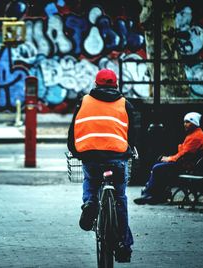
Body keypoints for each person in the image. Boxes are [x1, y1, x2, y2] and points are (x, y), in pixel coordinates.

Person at [67, 68, 135, 263]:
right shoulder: (125, 104)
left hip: (90, 154)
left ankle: (90, 203)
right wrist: (130, 149)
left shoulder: (84, 101)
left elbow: (73, 130)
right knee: (120, 198)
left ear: (95, 85)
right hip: (117, 156)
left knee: (91, 180)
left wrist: (75, 151)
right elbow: (134, 132)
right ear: (116, 85)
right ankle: (123, 245)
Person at [134, 112, 203, 205]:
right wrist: (169, 158)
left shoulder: (195, 137)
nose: (185, 124)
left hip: (188, 166)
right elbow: (184, 153)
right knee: (160, 166)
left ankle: (149, 194)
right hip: (187, 163)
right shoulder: (194, 134)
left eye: (188, 122)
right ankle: (155, 194)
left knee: (158, 167)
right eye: (185, 122)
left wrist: (169, 158)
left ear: (195, 123)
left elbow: (184, 154)